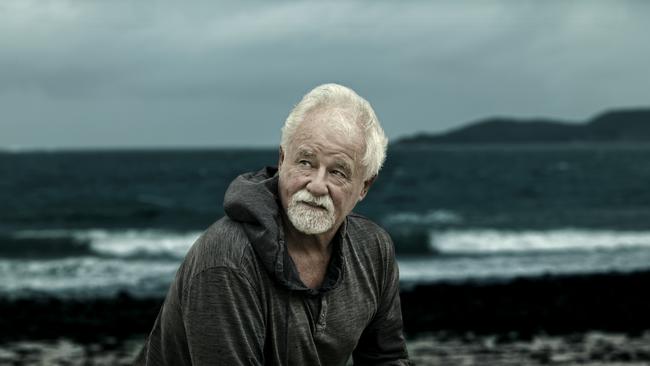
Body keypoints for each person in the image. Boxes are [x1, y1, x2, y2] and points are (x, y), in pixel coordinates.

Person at [135, 83, 410, 365]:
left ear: (364, 186)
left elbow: (387, 359)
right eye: (305, 162)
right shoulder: (227, 261)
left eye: (338, 172)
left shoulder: (373, 249)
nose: (316, 185)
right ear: (282, 160)